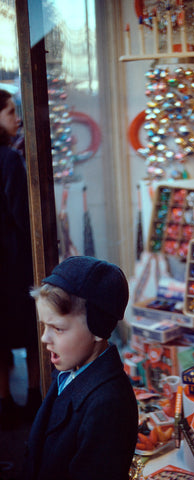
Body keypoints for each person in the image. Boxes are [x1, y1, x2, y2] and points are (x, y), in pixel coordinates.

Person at [23, 255, 138, 480]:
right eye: (44, 325)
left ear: (99, 327)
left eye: (57, 328)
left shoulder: (108, 405)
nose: (45, 338)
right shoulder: (67, 369)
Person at [0, 89, 41, 429]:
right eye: (11, 111)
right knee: (30, 329)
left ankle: (3, 402)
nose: (18, 118)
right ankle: (33, 396)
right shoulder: (9, 158)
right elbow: (22, 214)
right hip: (13, 262)